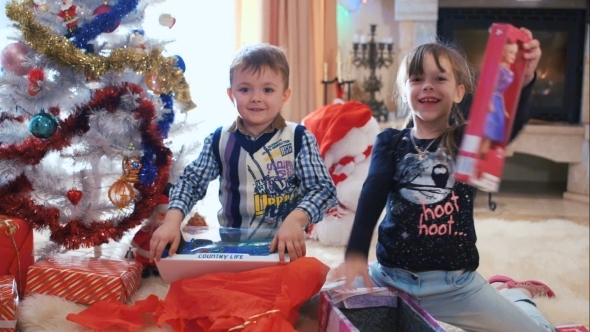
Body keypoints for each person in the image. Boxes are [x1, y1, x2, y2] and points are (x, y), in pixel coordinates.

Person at [337, 28, 557, 332]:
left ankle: (516, 295)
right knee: (326, 308)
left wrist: (526, 79)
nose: (428, 85)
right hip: (390, 279)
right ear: (405, 92)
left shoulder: (467, 141)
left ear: (458, 92)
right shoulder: (390, 142)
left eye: (439, 78)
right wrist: (356, 253)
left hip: (456, 286)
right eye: (417, 79)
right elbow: (371, 196)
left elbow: (507, 123)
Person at [149, 43, 338, 263]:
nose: (256, 97)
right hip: (232, 249)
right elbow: (191, 182)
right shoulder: (219, 140)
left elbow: (323, 189)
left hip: (282, 249)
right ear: (231, 94)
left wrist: (296, 220)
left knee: (306, 282)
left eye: (267, 90)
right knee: (204, 288)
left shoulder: (299, 138)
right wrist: (172, 221)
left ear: (285, 96)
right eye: (245, 89)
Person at [479, 41, 518, 160]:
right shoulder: (498, 69)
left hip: (498, 102)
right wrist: (488, 102)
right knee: (487, 130)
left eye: (515, 53)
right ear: (502, 52)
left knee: (494, 131)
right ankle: (480, 155)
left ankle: (485, 157)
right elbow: (490, 85)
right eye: (511, 52)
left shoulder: (509, 72)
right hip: (491, 99)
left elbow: (501, 93)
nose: (513, 56)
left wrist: (504, 109)